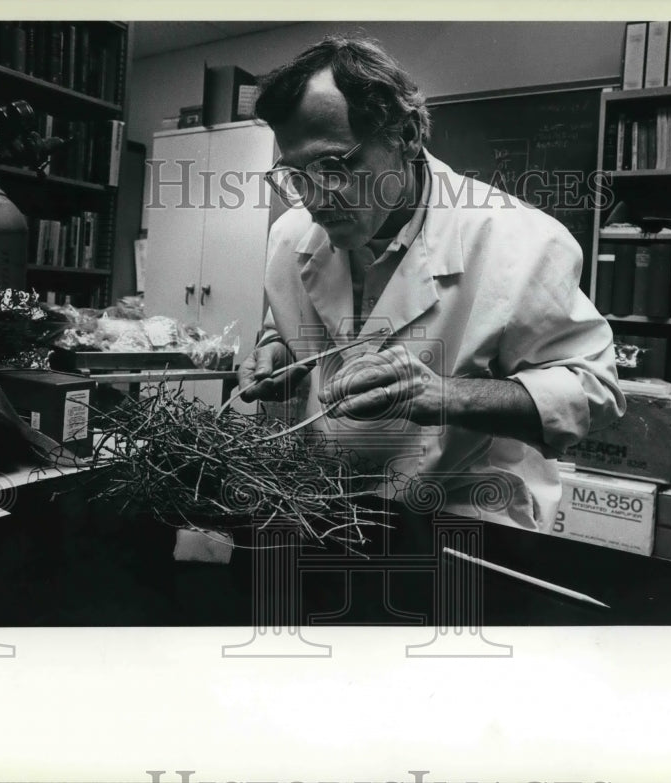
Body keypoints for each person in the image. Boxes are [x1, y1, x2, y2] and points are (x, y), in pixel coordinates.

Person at [237, 35, 625, 531]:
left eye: (333, 166)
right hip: (327, 508)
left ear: (408, 133)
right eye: (295, 175)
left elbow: (594, 392)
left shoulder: (520, 239)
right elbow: (284, 326)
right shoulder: (291, 236)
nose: (313, 198)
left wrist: (444, 396)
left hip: (463, 516)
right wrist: (279, 353)